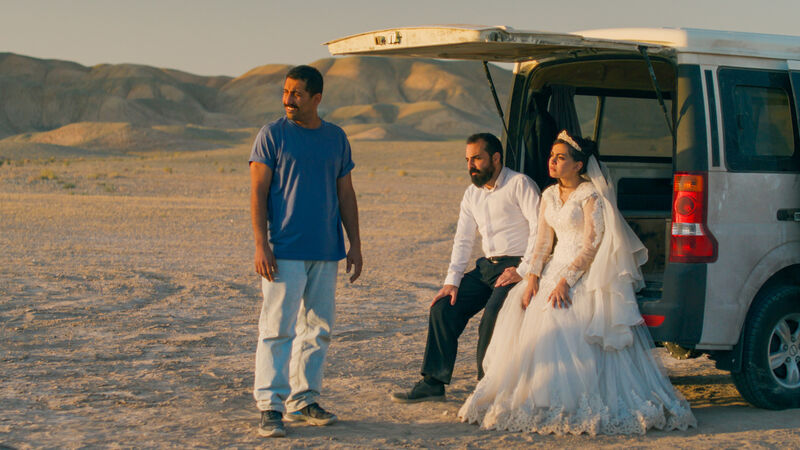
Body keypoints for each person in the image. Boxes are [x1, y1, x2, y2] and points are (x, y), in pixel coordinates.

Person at [458, 130, 696, 435]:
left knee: (563, 316)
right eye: (552, 157)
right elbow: (543, 243)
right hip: (552, 267)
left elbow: (591, 245)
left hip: (584, 272)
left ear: (578, 165)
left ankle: (572, 398)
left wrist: (566, 282)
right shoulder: (547, 195)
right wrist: (532, 278)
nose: (553, 162)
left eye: (561, 158)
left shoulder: (590, 196)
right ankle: (535, 393)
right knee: (525, 308)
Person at [249, 65, 362, 438]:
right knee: (277, 328)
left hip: (326, 250)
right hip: (284, 249)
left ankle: (304, 398)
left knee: (318, 328)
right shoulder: (272, 136)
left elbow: (346, 193)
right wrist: (261, 244)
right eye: (285, 92)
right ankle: (270, 405)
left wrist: (355, 244)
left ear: (317, 98)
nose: (288, 100)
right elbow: (258, 193)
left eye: (296, 94)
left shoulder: (335, 138)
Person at [392, 133, 541, 403]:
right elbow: (463, 239)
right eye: (467, 160)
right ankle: (433, 382)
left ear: (495, 158)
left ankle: (487, 387)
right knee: (443, 308)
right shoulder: (472, 194)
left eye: (476, 159)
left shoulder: (520, 184)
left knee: (492, 317)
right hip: (487, 268)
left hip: (517, 266)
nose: (470, 165)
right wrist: (452, 281)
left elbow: (539, 230)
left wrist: (524, 269)